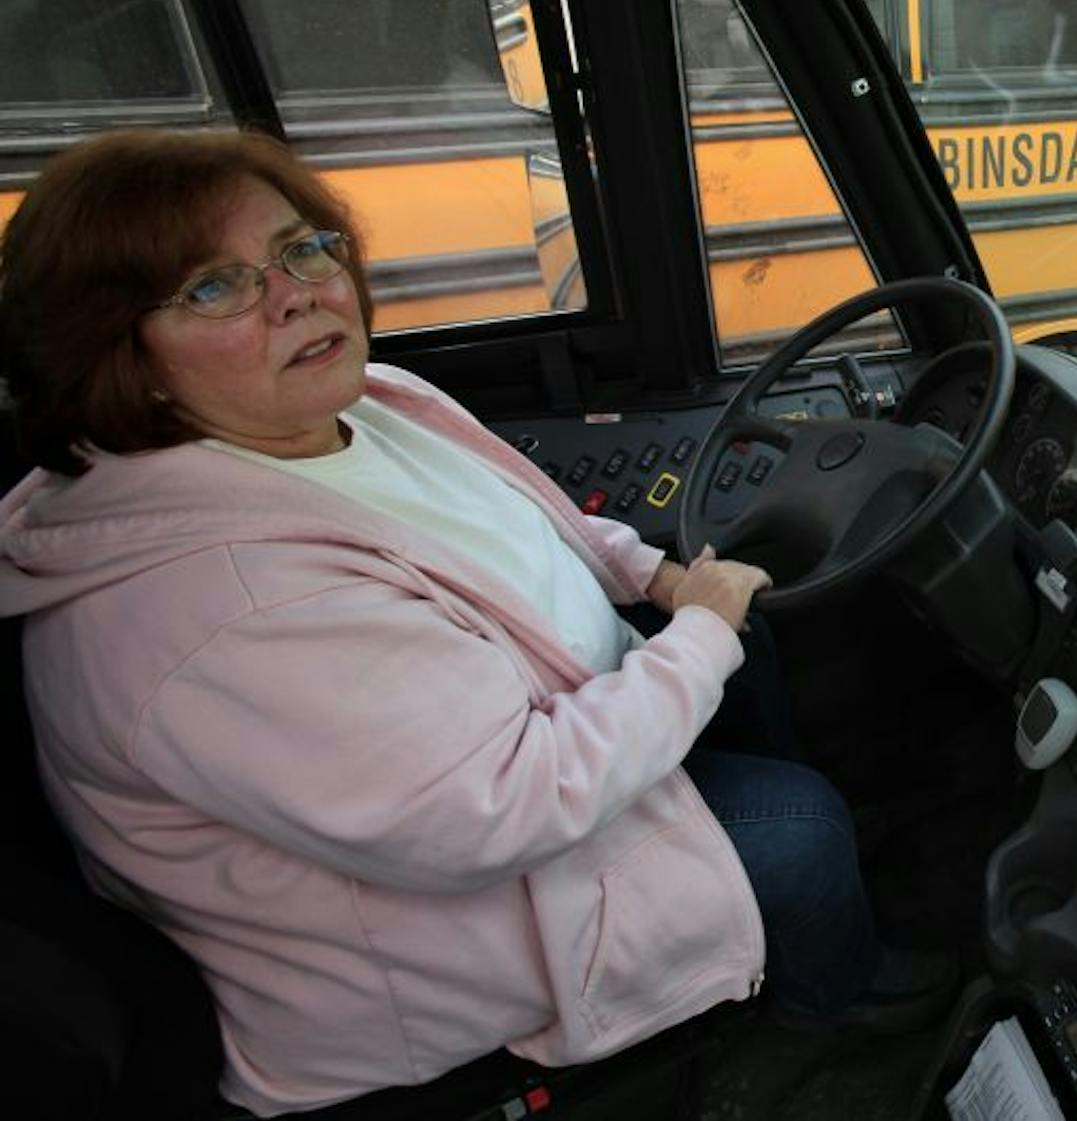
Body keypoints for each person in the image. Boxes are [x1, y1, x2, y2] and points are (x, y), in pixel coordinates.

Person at [0, 129, 954, 1116]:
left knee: (746, 652)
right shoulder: (223, 609)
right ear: (126, 357)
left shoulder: (362, 404)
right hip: (415, 934)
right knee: (797, 829)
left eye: (301, 248)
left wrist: (650, 573)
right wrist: (698, 639)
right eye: (214, 288)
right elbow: (503, 807)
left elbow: (515, 518)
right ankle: (829, 1006)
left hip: (493, 758)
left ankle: (779, 882)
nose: (298, 293)